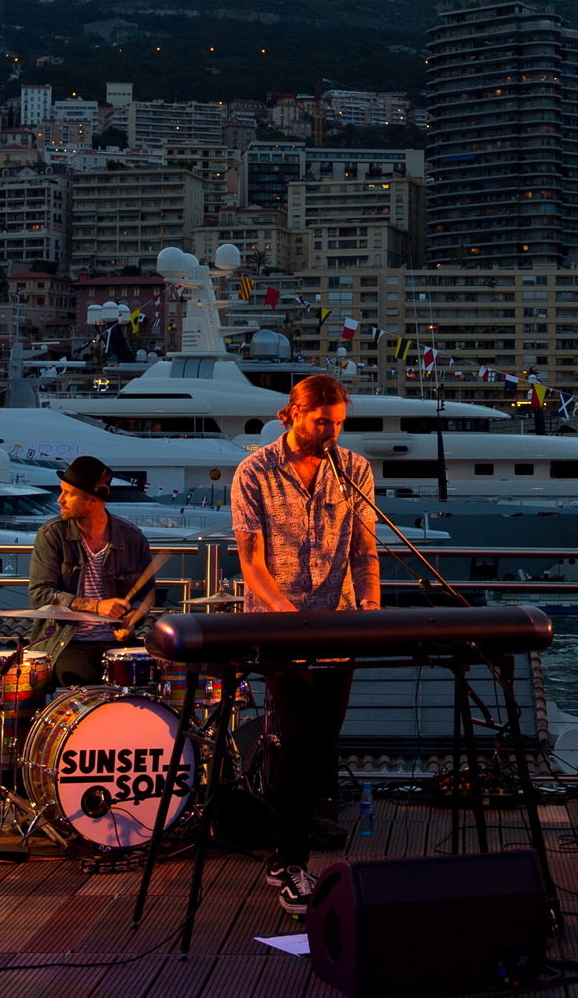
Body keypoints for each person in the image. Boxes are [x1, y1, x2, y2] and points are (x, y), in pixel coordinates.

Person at [230, 374, 380, 916]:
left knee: (323, 745)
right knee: (292, 742)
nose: (332, 432)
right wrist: (293, 622)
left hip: (339, 626)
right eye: (323, 423)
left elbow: (366, 550)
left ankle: (296, 846)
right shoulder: (254, 472)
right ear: (291, 415)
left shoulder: (354, 469)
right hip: (279, 627)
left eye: (339, 423)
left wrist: (371, 613)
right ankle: (287, 860)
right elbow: (251, 563)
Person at [28, 456, 154, 686]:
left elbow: (145, 595)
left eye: (69, 493)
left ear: (94, 499)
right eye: (62, 491)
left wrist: (131, 620)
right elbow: (40, 594)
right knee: (81, 680)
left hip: (119, 644)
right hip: (68, 642)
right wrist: (96, 606)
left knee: (147, 683)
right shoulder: (51, 535)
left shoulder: (133, 538)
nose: (60, 500)